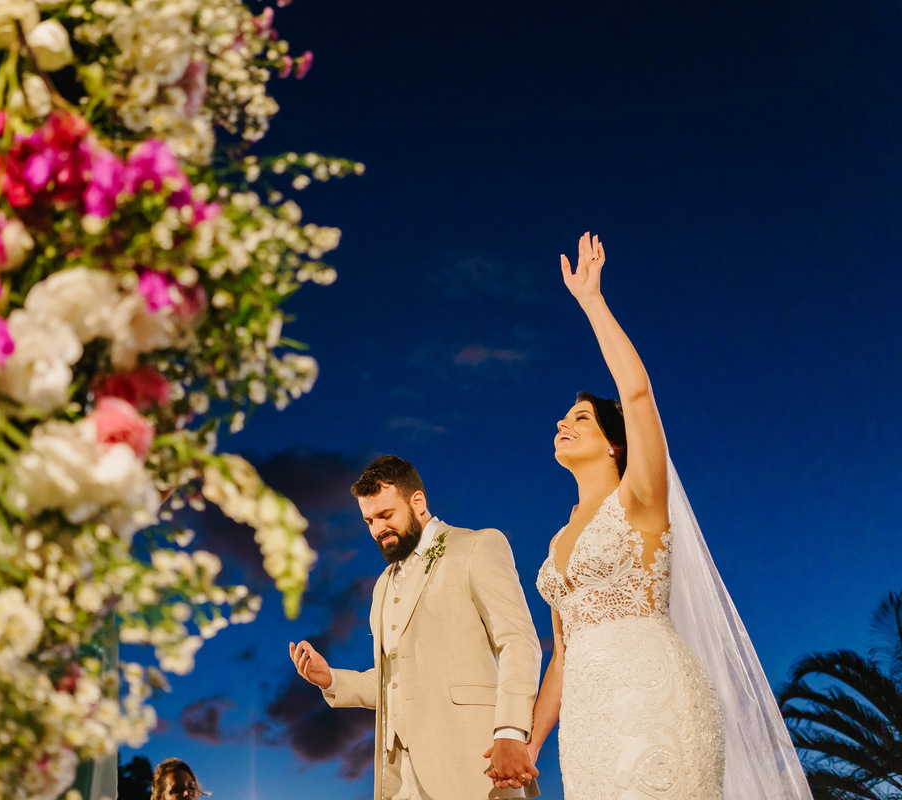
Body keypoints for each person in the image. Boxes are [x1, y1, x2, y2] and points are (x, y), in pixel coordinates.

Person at [531, 232, 812, 800]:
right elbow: (561, 657)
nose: (564, 423)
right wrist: (529, 746)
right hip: (586, 730)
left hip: (654, 700)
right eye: (564, 417)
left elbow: (637, 395)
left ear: (614, 444)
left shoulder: (640, 498)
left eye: (581, 418)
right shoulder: (557, 542)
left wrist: (591, 301)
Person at [290, 455, 543, 800]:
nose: (377, 529)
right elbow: (395, 682)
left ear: (418, 502)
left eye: (386, 515)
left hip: (473, 763)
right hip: (400, 780)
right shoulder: (382, 585)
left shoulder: (476, 547)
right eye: (369, 521)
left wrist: (511, 732)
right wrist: (330, 679)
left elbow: (518, 641)